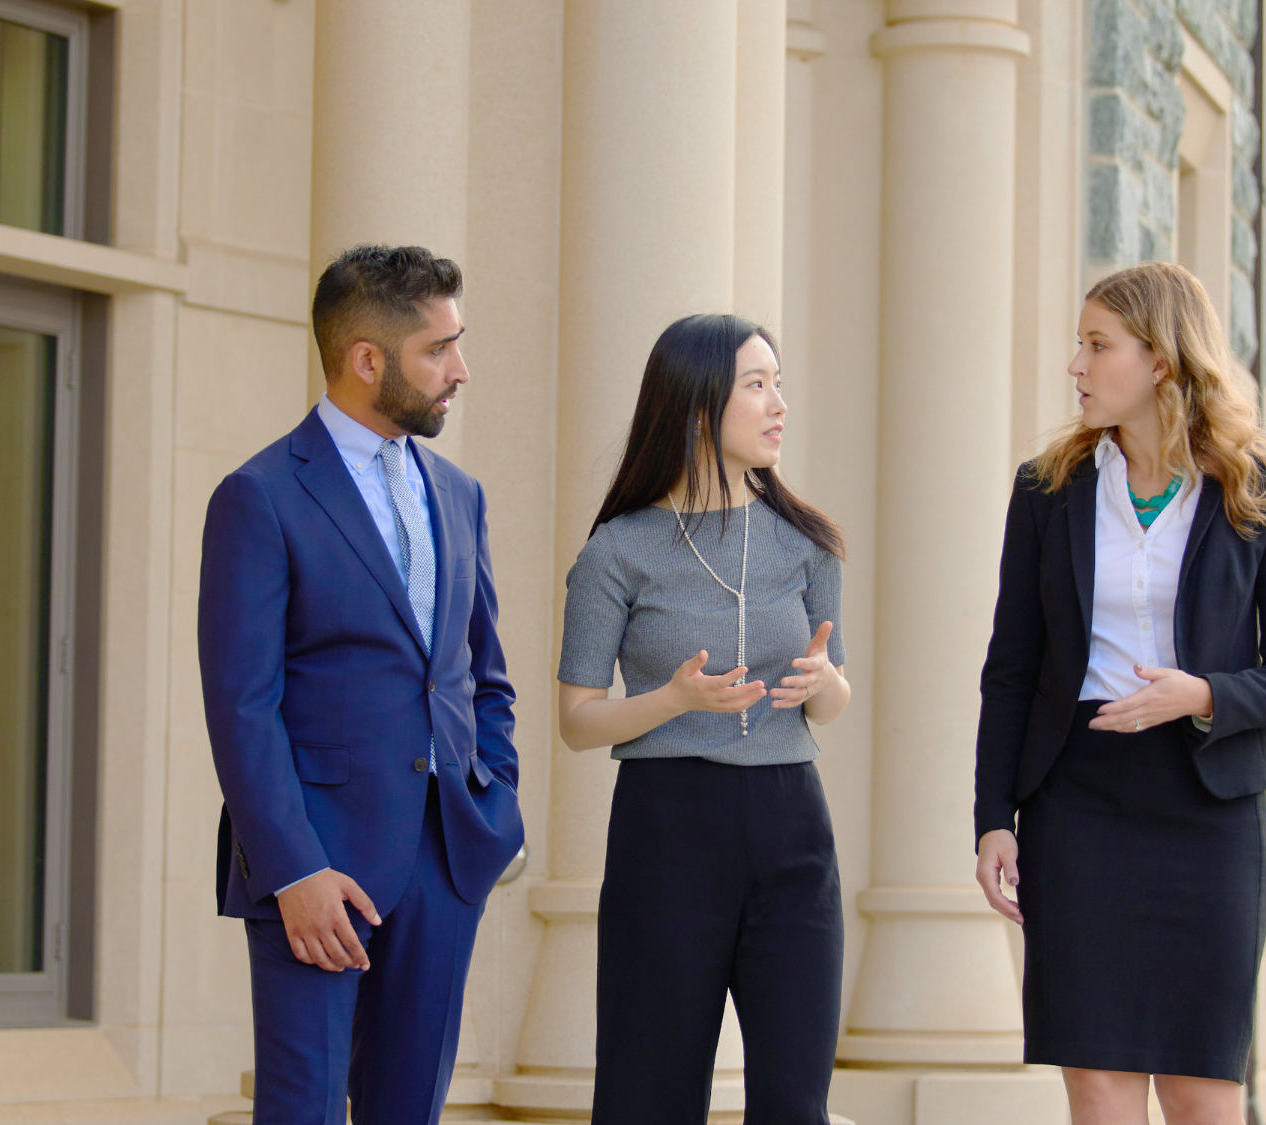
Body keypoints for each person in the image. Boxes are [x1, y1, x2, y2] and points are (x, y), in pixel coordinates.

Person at [972, 262, 1266, 1125]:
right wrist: (992, 817)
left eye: (1098, 345)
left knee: (1202, 1091)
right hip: (1078, 806)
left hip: (1207, 810)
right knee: (1097, 1086)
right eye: (1081, 345)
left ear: (1161, 360)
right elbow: (1011, 666)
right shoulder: (1047, 491)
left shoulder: (1264, 487)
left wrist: (1201, 693)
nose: (1078, 366)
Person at [197, 244, 524, 1125]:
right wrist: (293, 868)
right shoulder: (258, 496)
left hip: (447, 857)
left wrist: (494, 807)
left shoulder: (461, 495)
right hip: (319, 868)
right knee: (302, 1111)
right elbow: (240, 703)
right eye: (438, 350)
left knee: (408, 1111)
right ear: (366, 359)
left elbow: (481, 674)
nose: (461, 370)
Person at [556, 314, 851, 1124]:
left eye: (778, 382)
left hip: (793, 826)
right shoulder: (617, 551)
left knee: (795, 1101)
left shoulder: (808, 542)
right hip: (668, 829)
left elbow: (834, 697)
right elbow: (577, 721)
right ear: (694, 409)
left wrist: (822, 679)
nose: (778, 402)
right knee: (647, 1096)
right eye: (755, 385)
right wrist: (674, 700)